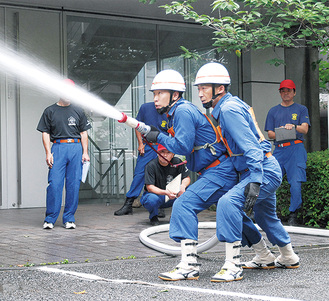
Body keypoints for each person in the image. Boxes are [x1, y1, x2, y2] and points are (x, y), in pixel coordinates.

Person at [194, 62, 300, 282]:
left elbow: (251, 147)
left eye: (204, 88)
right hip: (263, 167)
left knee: (228, 204)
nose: (200, 93)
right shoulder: (230, 106)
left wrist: (256, 180)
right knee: (264, 215)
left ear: (219, 89)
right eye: (198, 88)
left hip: (261, 170)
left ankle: (232, 265)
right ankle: (286, 256)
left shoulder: (228, 110)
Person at [144, 69, 238, 281]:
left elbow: (183, 146)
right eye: (153, 94)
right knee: (237, 214)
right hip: (217, 169)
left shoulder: (183, 111)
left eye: (160, 93)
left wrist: (157, 135)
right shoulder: (178, 111)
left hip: (219, 170)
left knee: (184, 204)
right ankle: (269, 254)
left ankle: (189, 265)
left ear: (175, 95)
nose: (155, 99)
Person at [37, 79, 91, 230]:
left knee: (73, 184)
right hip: (58, 148)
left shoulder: (78, 110)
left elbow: (83, 132)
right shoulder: (50, 111)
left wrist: (85, 152)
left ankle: (69, 218)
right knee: (55, 184)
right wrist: (48, 153)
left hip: (76, 147)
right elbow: (45, 133)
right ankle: (50, 219)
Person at [265, 79, 310, 226]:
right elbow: (270, 134)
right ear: (280, 93)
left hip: (296, 149)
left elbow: (304, 129)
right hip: (279, 149)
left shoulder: (301, 109)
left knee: (295, 183)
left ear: (294, 92)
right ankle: (263, 211)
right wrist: (284, 132)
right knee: (270, 179)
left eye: (289, 90)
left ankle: (294, 214)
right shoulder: (273, 111)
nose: (286, 93)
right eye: (283, 91)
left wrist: (294, 127)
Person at [114, 102, 168, 216]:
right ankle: (128, 204)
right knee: (139, 174)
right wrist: (140, 143)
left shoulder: (171, 109)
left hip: (163, 146)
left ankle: (159, 206)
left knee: (161, 175)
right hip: (148, 146)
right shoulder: (145, 107)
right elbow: (137, 126)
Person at [140, 144, 190, 226]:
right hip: (158, 196)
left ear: (173, 154)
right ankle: (153, 217)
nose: (165, 155)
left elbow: (186, 177)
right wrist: (166, 192)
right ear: (157, 153)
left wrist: (183, 186)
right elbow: (150, 187)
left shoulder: (177, 162)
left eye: (168, 152)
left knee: (190, 191)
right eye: (162, 152)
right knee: (151, 199)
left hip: (174, 194)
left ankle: (176, 216)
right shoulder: (151, 165)